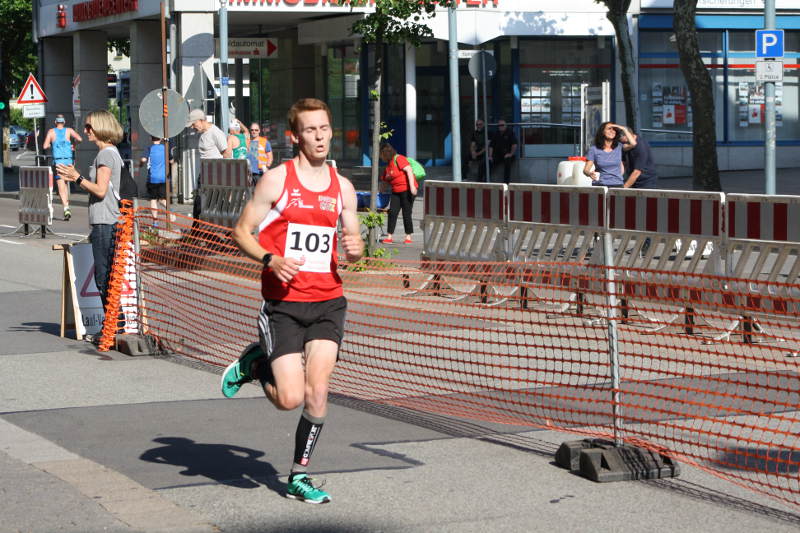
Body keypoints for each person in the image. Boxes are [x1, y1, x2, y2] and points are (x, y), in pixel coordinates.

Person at [224, 98, 364, 504]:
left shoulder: (343, 188)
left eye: (324, 128)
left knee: (317, 391)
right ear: (296, 136)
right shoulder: (276, 181)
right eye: (310, 130)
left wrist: (355, 249)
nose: (319, 137)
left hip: (328, 302)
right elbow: (241, 231)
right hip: (283, 304)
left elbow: (353, 242)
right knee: (290, 398)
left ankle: (299, 476)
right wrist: (271, 259)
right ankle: (257, 365)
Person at [56, 110, 123, 315]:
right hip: (107, 220)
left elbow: (101, 191)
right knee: (108, 277)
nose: (85, 131)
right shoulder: (110, 152)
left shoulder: (105, 154)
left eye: (89, 127)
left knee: (104, 278)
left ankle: (115, 325)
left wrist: (77, 177)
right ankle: (115, 324)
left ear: (101, 127)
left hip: (105, 221)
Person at [187, 109, 231, 220]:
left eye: (193, 124)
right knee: (200, 207)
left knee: (215, 205)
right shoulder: (203, 134)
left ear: (201, 120)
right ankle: (197, 229)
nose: (192, 127)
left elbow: (226, 154)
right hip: (205, 175)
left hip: (216, 175)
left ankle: (229, 227)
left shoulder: (215, 133)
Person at [42, 114, 83, 221]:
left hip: (58, 162)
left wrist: (52, 145)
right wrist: (74, 145)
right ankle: (67, 206)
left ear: (55, 122)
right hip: (69, 161)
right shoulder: (69, 130)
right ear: (64, 122)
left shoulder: (51, 132)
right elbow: (80, 139)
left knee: (61, 187)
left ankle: (66, 208)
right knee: (66, 184)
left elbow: (45, 146)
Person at [379, 143, 418, 245]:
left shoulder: (399, 158)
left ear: (385, 153)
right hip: (396, 191)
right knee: (392, 212)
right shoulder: (388, 166)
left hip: (407, 190)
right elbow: (385, 181)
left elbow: (409, 171)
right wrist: (380, 191)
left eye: (381, 155)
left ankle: (408, 236)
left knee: (406, 213)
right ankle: (389, 236)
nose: (381, 157)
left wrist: (412, 187)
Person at [583, 122, 636, 188]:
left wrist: (624, 129)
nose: (612, 131)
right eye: (609, 128)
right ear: (602, 132)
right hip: (600, 185)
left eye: (614, 129)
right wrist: (589, 174)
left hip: (617, 184)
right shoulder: (594, 149)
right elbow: (586, 170)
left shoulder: (619, 147)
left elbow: (633, 144)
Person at [139, 136, 174, 220]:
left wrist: (140, 164)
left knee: (153, 200)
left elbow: (143, 160)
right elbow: (172, 161)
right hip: (163, 178)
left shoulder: (149, 148)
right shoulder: (165, 148)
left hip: (152, 178)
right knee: (162, 199)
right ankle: (171, 212)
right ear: (161, 139)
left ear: (151, 139)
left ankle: (155, 221)